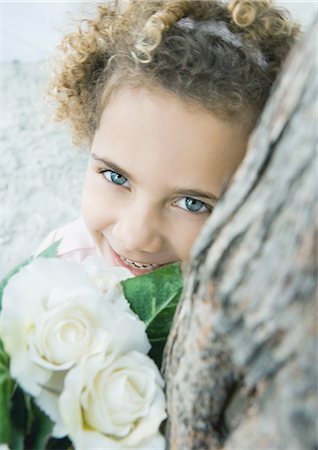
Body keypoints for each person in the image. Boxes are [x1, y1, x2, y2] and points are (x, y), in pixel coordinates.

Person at [35, 0, 300, 276]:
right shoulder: (58, 269)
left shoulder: (271, 292)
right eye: (116, 177)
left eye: (192, 204)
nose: (135, 237)